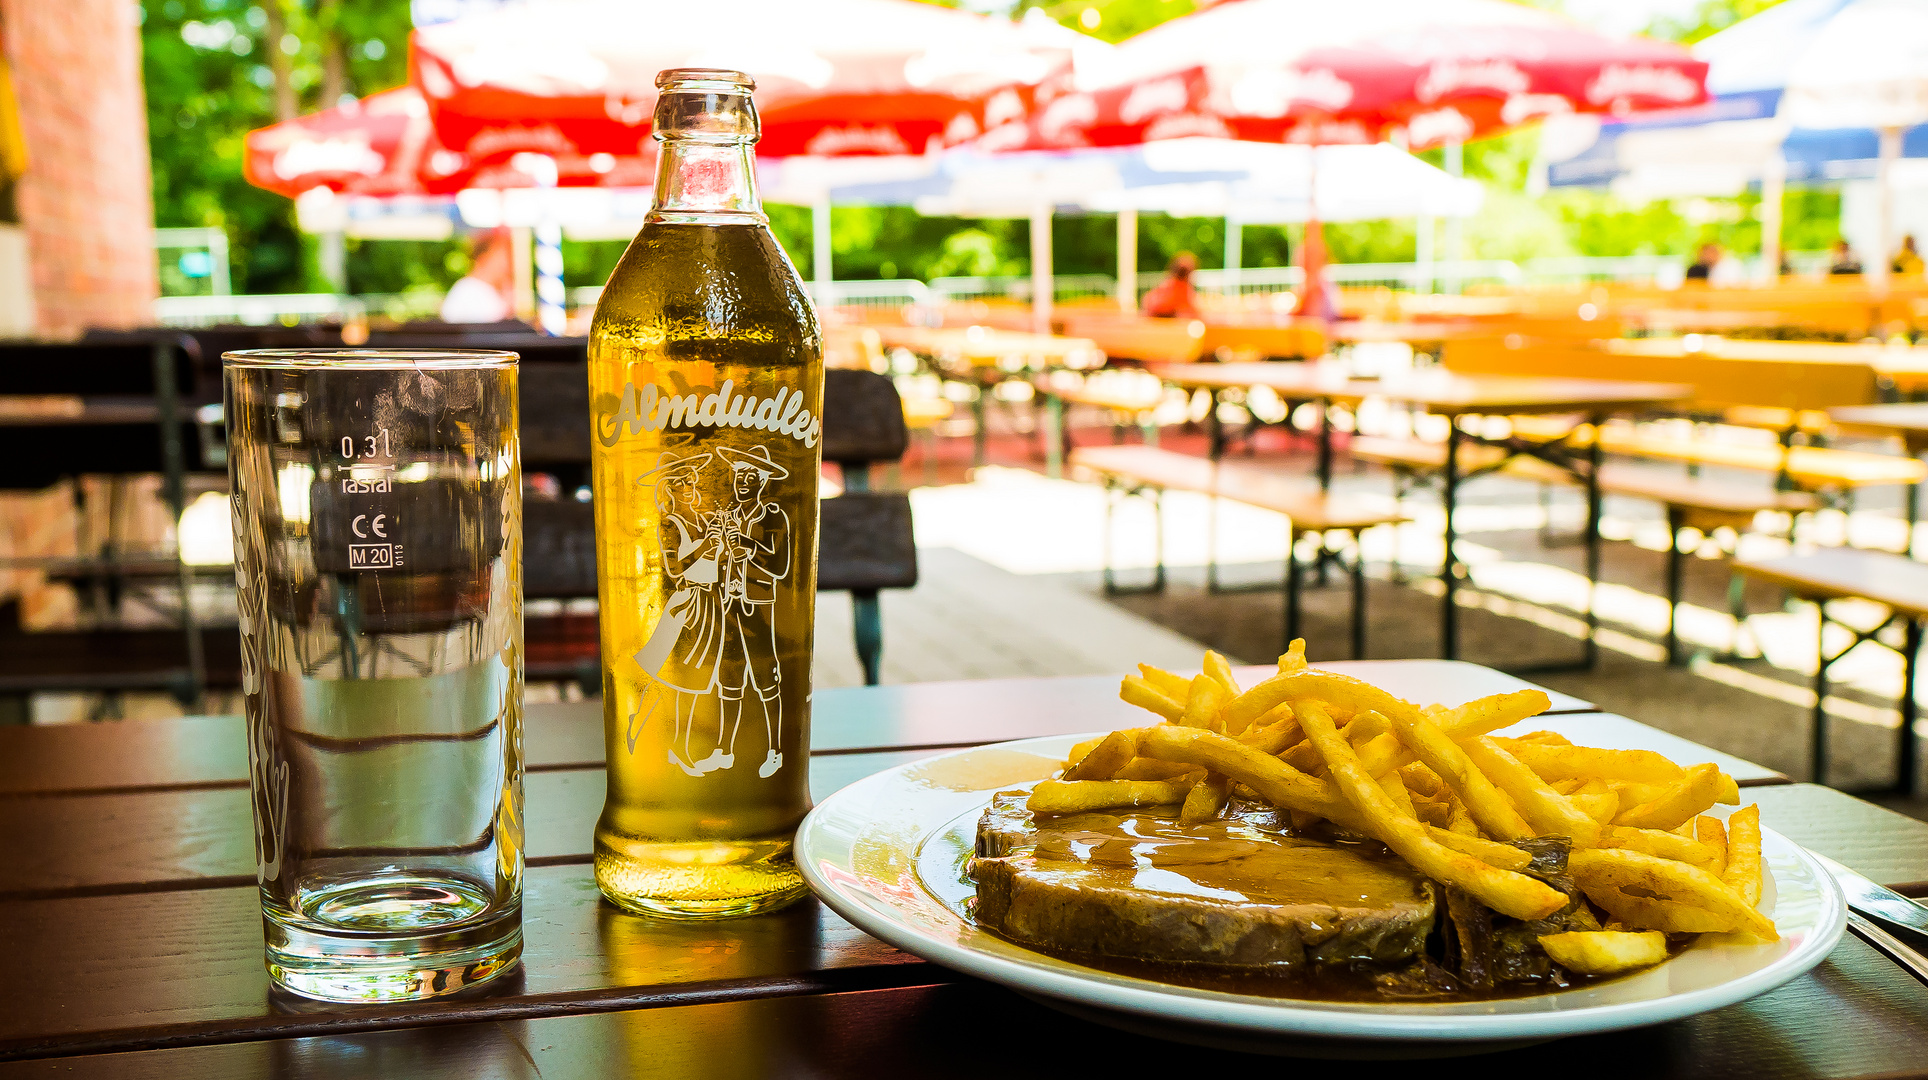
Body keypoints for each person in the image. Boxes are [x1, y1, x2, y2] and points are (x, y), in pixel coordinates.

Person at [440, 229, 516, 322]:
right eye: (502, 258)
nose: (508, 265)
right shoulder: (468, 290)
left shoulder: (492, 290)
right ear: (483, 258)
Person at [1141, 253, 1201, 319]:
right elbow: (1193, 311)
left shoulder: (1165, 284)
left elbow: (1147, 300)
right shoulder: (1181, 288)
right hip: (1164, 321)